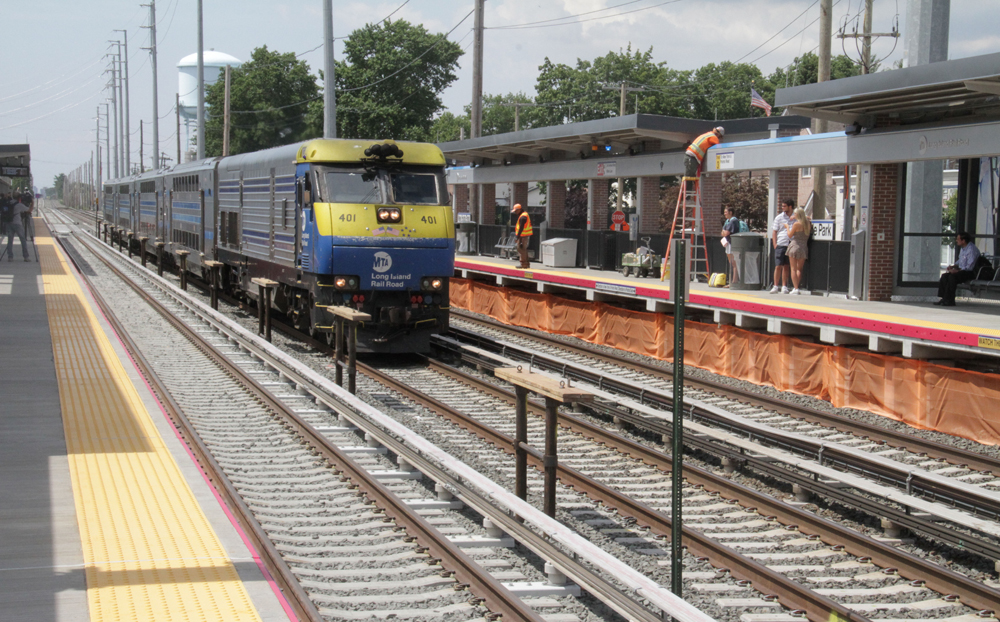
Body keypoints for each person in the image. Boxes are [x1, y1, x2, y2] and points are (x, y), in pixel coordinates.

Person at [935, 232, 981, 306]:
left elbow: (969, 266)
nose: (957, 241)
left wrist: (957, 271)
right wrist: (953, 266)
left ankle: (950, 300)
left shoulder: (971, 250)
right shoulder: (963, 249)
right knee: (944, 276)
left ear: (963, 240)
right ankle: (944, 298)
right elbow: (960, 261)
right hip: (962, 270)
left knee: (952, 277)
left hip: (970, 272)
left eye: (958, 239)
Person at [770, 198, 795, 293]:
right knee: (778, 265)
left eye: (784, 206)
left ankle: (784, 286)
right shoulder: (779, 217)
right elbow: (774, 231)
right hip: (781, 243)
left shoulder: (796, 216)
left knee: (787, 265)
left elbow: (806, 218)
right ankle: (775, 285)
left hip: (791, 244)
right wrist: (775, 244)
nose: (782, 208)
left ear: (790, 207)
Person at [785, 207, 811, 295]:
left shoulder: (796, 224)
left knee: (793, 269)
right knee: (799, 269)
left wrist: (787, 227)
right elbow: (807, 218)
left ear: (797, 215)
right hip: (804, 246)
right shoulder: (808, 224)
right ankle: (797, 287)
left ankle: (795, 288)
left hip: (795, 246)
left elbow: (789, 235)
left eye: (795, 214)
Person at [3, 195, 31, 262]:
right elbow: (29, 210)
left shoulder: (8, 203)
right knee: (23, 240)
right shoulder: (19, 205)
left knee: (10, 240)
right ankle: (26, 257)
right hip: (17, 224)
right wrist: (32, 202)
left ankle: (10, 257)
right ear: (19, 198)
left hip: (9, 223)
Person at [721, 207, 740, 284]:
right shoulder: (727, 221)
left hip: (733, 243)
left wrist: (724, 232)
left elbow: (726, 233)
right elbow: (722, 233)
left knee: (734, 262)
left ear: (731, 212)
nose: (724, 213)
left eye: (726, 212)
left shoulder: (733, 221)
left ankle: (734, 281)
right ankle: (732, 281)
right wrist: (724, 232)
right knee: (731, 262)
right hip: (728, 243)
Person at [511, 203, 533, 270]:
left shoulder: (523, 217)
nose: (515, 212)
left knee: (520, 249)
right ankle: (526, 264)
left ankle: (523, 264)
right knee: (523, 249)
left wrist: (517, 237)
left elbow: (521, 227)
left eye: (516, 211)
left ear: (519, 210)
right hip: (524, 235)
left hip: (523, 236)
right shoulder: (524, 215)